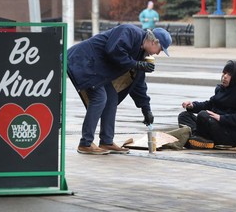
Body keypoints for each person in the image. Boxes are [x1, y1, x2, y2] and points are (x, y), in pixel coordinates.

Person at [67, 24, 172, 155]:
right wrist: (137, 64)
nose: (157, 53)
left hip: (98, 70)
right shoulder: (129, 32)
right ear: (153, 41)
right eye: (160, 49)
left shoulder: (141, 54)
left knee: (111, 98)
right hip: (84, 61)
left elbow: (138, 83)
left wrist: (146, 109)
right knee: (99, 98)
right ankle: (85, 143)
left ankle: (106, 142)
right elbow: (114, 51)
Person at [178, 60, 236, 149]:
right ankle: (199, 139)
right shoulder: (221, 89)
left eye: (229, 74)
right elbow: (209, 104)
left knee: (203, 116)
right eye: (224, 73)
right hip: (214, 126)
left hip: (230, 133)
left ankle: (195, 138)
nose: (224, 76)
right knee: (184, 116)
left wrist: (221, 118)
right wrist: (192, 105)